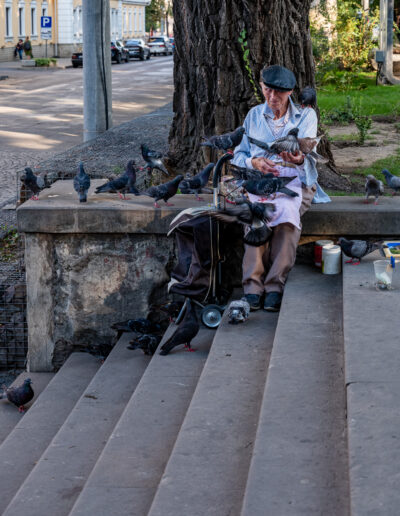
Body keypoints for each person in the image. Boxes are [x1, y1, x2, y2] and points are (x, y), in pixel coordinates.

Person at [232, 64, 330, 312]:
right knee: (256, 215)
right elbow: (238, 154)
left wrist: (298, 159)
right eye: (267, 91)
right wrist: (253, 161)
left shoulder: (306, 116)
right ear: (262, 87)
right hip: (260, 181)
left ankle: (275, 285)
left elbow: (309, 155)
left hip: (294, 180)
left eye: (279, 93)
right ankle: (253, 287)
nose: (272, 97)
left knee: (286, 212)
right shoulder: (254, 115)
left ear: (290, 93)